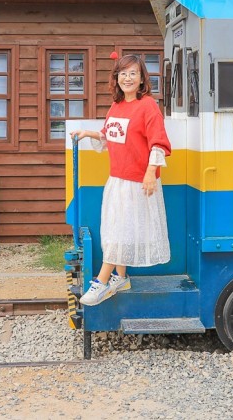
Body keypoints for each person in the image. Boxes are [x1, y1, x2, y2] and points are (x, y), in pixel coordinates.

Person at [71, 54, 171, 306]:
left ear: (141, 79)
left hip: (138, 183)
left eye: (133, 73)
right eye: (123, 73)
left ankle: (102, 282)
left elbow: (159, 142)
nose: (127, 78)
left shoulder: (148, 106)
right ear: (116, 78)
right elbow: (110, 136)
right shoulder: (116, 106)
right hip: (117, 180)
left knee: (118, 232)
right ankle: (121, 277)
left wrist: (150, 173)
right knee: (118, 229)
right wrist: (88, 133)